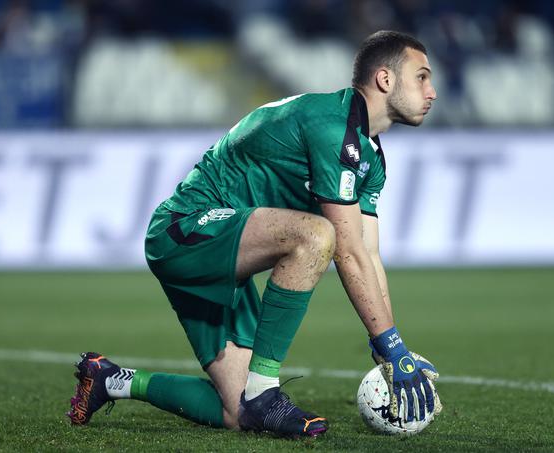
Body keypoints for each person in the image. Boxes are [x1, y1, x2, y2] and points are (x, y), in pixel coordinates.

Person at [67, 30, 441, 437]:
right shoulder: (331, 126)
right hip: (186, 229)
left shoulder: (369, 155)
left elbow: (368, 256)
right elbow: (346, 251)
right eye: (422, 77)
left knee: (236, 412)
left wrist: (393, 349)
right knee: (316, 235)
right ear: (385, 79)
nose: (432, 91)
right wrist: (390, 347)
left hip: (230, 254)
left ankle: (111, 380)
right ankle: (266, 391)